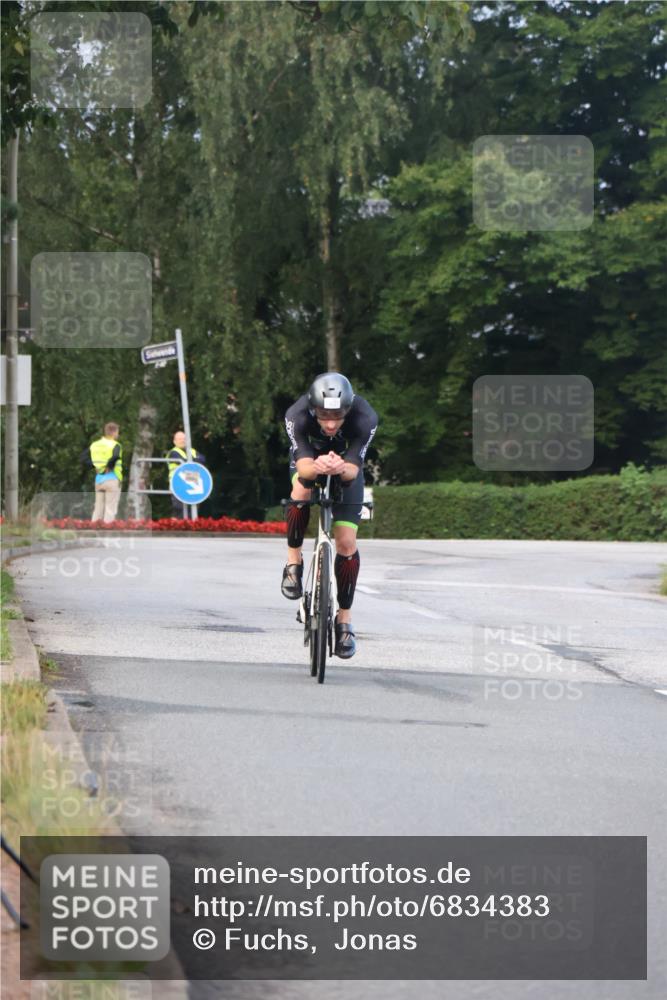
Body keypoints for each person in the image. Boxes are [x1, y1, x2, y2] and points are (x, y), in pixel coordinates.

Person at [282, 372, 378, 659]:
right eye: (324, 415)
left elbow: (353, 469)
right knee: (300, 491)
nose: (332, 422)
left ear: (349, 409)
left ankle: (344, 620)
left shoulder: (365, 417)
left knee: (347, 543)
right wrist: (317, 465)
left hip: (345, 466)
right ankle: (292, 563)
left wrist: (339, 467)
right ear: (313, 409)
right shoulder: (296, 415)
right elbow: (305, 469)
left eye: (338, 415)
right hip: (310, 459)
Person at [81, 422, 123, 523]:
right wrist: (107, 467)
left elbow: (83, 458)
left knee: (98, 508)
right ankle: (107, 533)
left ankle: (93, 530)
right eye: (117, 432)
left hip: (99, 479)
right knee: (110, 509)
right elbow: (115, 456)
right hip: (112, 478)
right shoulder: (115, 445)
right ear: (114, 432)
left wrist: (95, 466)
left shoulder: (95, 444)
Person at [166, 431, 207, 518]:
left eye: (184, 439)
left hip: (193, 483)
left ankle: (190, 527)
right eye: (180, 439)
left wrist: (190, 460)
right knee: (178, 508)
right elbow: (184, 462)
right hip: (177, 483)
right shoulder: (173, 452)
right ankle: (175, 527)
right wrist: (194, 460)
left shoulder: (192, 450)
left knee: (193, 508)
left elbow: (203, 459)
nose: (182, 441)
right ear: (174, 441)